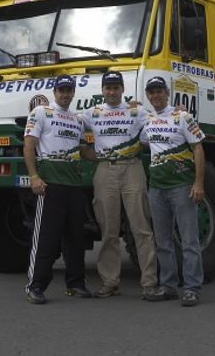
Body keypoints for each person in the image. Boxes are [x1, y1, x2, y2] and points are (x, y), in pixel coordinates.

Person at [81, 71, 162, 301]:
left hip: (132, 168)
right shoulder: (92, 113)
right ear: (102, 90)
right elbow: (67, 126)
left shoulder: (137, 111)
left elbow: (158, 127)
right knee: (109, 230)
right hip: (105, 170)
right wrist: (87, 154)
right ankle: (110, 282)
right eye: (108, 87)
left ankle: (149, 283)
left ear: (123, 90)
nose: (112, 92)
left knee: (142, 228)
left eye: (116, 87)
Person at [23, 74, 91, 304]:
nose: (65, 94)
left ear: (73, 92)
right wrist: (34, 177)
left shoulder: (77, 119)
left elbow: (83, 149)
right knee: (46, 238)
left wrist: (110, 155)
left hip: (73, 184)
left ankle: (76, 283)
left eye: (69, 90)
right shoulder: (41, 112)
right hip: (50, 183)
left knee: (75, 238)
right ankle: (35, 285)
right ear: (55, 92)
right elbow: (29, 146)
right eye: (61, 90)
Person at [141, 76, 205, 306]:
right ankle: (168, 286)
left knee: (189, 240)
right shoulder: (147, 120)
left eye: (159, 91)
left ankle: (192, 288)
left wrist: (198, 183)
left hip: (181, 186)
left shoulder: (182, 117)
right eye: (152, 92)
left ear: (167, 94)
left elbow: (198, 148)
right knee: (163, 241)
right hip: (156, 188)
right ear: (148, 96)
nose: (155, 95)